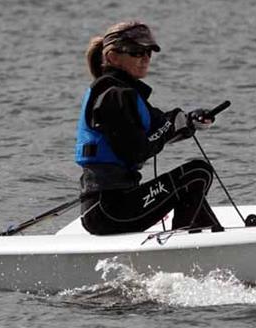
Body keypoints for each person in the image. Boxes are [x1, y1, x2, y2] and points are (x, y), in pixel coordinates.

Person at [74, 20, 224, 235]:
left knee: (194, 175)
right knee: (197, 173)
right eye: (136, 52)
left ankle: (203, 234)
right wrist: (172, 126)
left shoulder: (126, 92)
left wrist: (191, 121)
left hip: (118, 205)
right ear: (112, 57)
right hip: (111, 211)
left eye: (148, 52)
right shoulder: (113, 96)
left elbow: (160, 124)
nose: (144, 58)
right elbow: (138, 151)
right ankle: (185, 245)